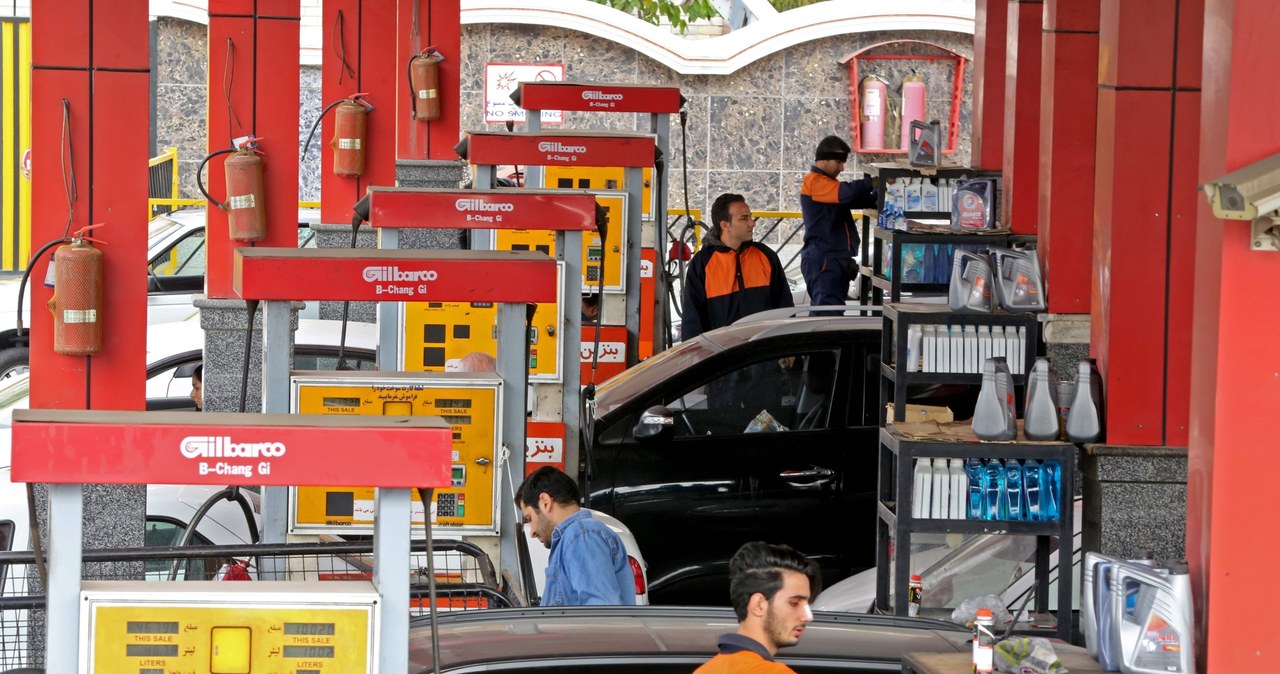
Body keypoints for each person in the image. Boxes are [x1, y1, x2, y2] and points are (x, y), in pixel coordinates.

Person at [515, 466, 636, 606]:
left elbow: (601, 613)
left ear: (545, 502)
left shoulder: (581, 536)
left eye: (529, 518)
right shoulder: (576, 537)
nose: (532, 532)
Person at [694, 541, 821, 673]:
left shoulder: (704, 671)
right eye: (794, 603)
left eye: (806, 604)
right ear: (759, 605)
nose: (808, 616)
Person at [681, 193, 794, 341]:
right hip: (724, 358)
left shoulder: (766, 255)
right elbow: (692, 321)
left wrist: (787, 346)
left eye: (750, 217)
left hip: (765, 355)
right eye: (744, 218)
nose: (752, 223)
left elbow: (785, 307)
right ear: (725, 225)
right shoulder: (702, 264)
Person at [799, 135, 878, 308]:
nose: (842, 168)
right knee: (826, 316)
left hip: (831, 259)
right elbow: (847, 193)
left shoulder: (828, 186)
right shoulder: (814, 182)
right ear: (824, 159)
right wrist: (874, 181)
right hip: (824, 261)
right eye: (839, 162)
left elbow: (854, 198)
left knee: (829, 313)